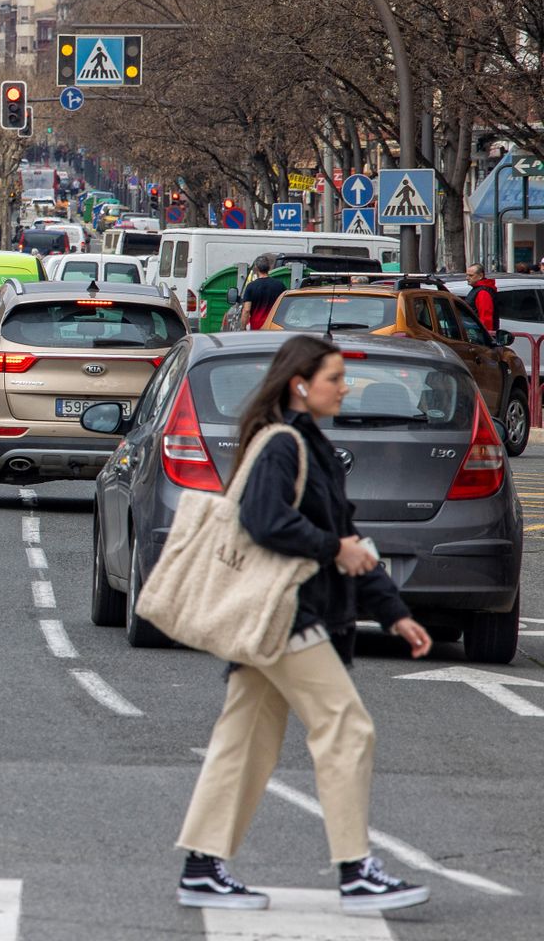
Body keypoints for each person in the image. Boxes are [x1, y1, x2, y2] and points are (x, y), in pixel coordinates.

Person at [175, 335, 433, 915]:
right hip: (288, 614)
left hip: (279, 616)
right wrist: (333, 548)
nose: (345, 388)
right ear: (300, 384)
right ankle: (356, 870)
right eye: (334, 378)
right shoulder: (283, 446)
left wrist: (393, 611)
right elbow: (267, 521)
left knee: (245, 743)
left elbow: (346, 542)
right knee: (346, 727)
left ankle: (201, 866)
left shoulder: (309, 445)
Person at [238, 255, 285, 330]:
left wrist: (243, 328)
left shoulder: (251, 287)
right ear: (269, 268)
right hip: (274, 326)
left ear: (256, 268)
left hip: (257, 328)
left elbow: (246, 310)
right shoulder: (280, 285)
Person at [464, 264, 499, 332]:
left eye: (471, 275)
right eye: (467, 275)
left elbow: (486, 319)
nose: (467, 278)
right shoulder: (478, 290)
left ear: (480, 276)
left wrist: (485, 336)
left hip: (479, 335)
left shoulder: (483, 292)